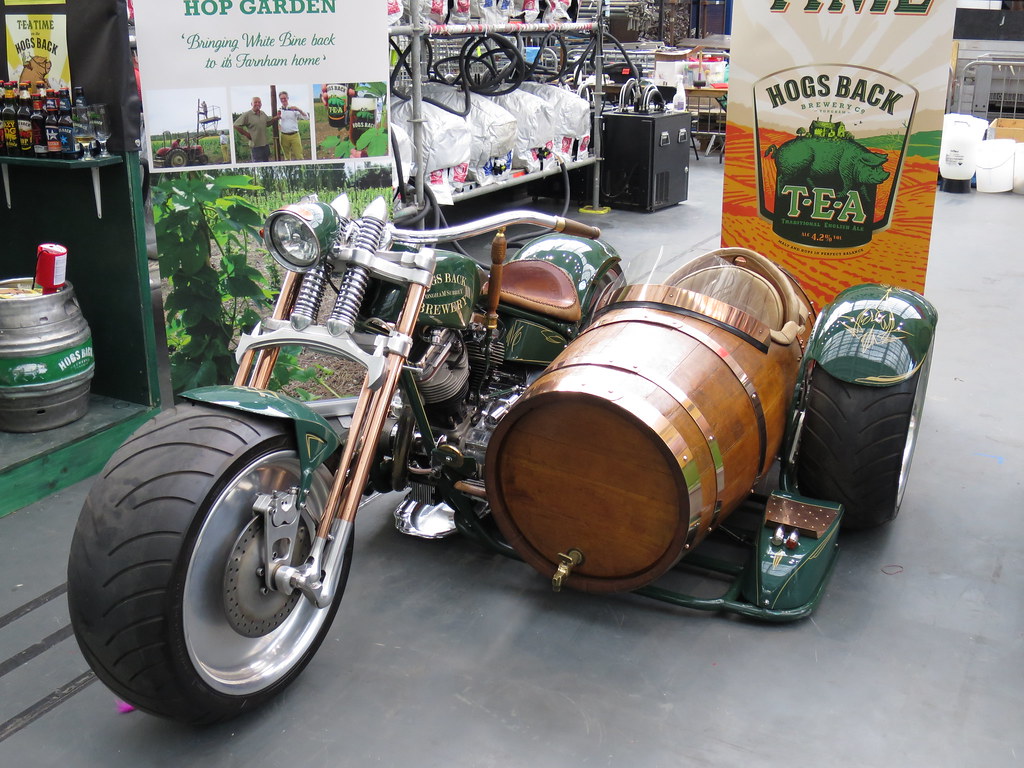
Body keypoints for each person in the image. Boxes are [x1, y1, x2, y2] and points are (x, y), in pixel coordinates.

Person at [233, 96, 277, 162]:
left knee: (266, 163)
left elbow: (267, 124)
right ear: (251, 104)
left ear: (261, 104)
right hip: (255, 146)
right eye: (255, 102)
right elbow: (236, 125)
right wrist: (247, 134)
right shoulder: (247, 114)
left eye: (259, 102)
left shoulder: (263, 113)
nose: (257, 104)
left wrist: (275, 118)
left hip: (265, 145)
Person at [277, 91, 308, 161]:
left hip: (295, 136)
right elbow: (279, 122)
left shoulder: (293, 109)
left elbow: (306, 118)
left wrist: (299, 109)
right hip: (283, 136)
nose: (283, 100)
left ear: (287, 98)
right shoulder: (279, 110)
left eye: (284, 98)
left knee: (299, 156)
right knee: (286, 157)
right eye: (281, 98)